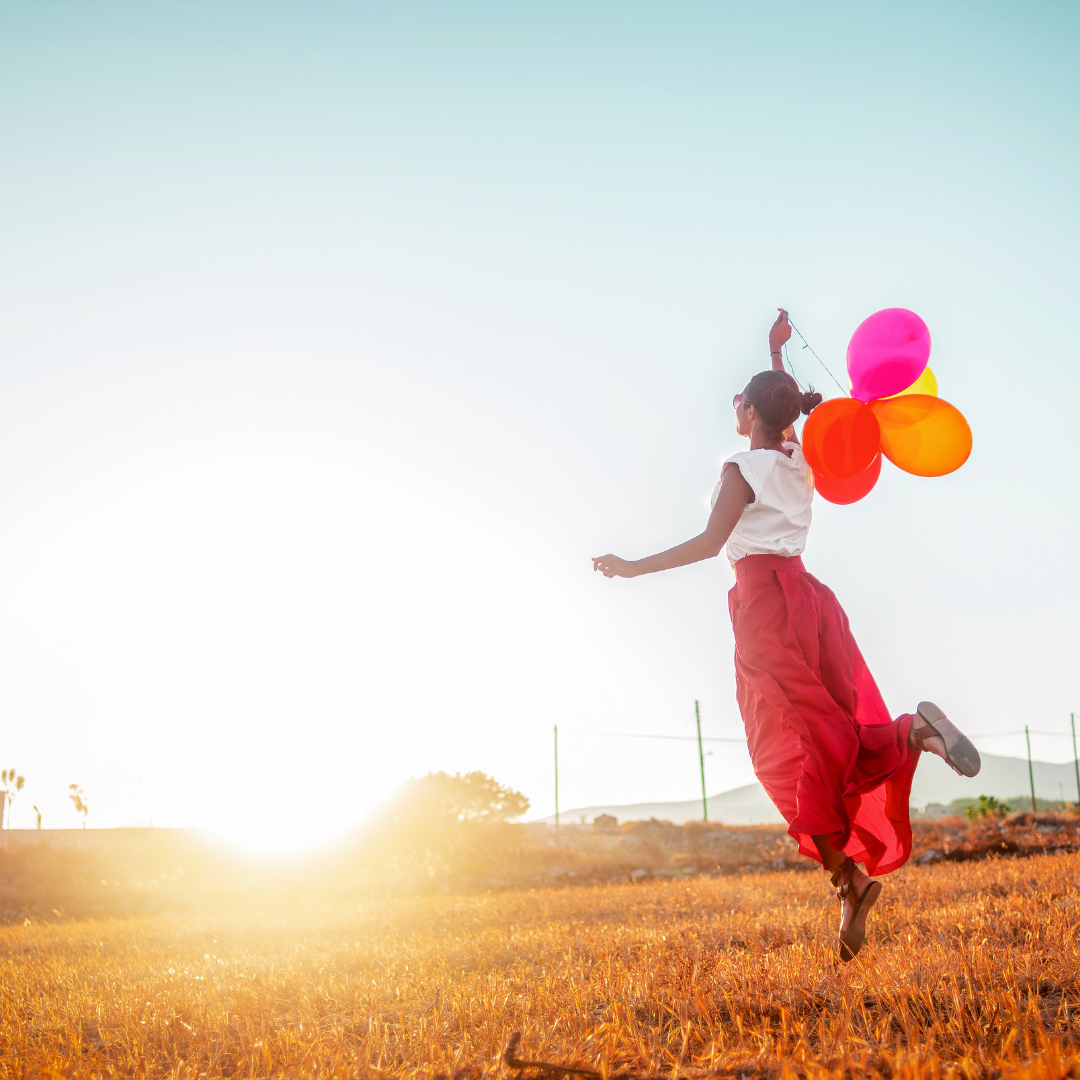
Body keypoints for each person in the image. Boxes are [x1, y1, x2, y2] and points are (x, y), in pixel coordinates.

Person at [592, 309, 980, 962]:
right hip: (813, 601)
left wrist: (632, 567)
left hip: (766, 606)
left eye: (739, 402)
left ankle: (850, 875)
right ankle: (894, 773)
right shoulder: (799, 458)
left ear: (748, 414)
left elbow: (712, 542)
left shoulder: (740, 470)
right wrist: (775, 358)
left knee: (786, 753)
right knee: (830, 733)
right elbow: (785, 414)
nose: (733, 407)